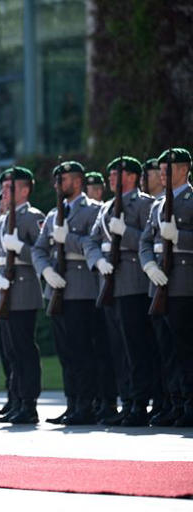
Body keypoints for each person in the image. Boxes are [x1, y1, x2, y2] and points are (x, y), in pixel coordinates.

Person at [84, 156, 156, 426]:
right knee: (117, 348)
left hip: (133, 283)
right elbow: (91, 242)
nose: (112, 177)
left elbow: (147, 240)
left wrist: (125, 231)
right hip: (109, 283)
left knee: (135, 347)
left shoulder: (145, 204)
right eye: (111, 173)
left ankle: (140, 403)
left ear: (133, 177)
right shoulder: (105, 208)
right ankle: (127, 401)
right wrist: (97, 261)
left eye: (118, 173)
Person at [32, 161, 100, 425]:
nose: (59, 184)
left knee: (82, 350)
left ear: (78, 181)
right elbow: (39, 249)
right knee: (66, 353)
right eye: (57, 180)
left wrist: (67, 237)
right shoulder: (52, 215)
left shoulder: (93, 210)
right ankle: (72, 403)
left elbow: (93, 244)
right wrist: (45, 271)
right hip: (56, 288)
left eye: (65, 179)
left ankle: (87, 404)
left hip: (81, 289)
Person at [0, 167, 45, 424]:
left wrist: (20, 247)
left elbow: (44, 255)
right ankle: (16, 400)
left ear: (24, 190)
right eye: (4, 188)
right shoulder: (1, 221)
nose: (4, 193)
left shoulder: (33, 218)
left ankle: (29, 404)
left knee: (23, 350)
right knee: (10, 352)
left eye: (10, 188)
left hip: (23, 292)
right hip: (4, 291)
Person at [139, 147, 193, 427]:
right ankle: (175, 402)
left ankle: (189, 404)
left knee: (185, 348)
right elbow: (145, 241)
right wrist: (148, 265)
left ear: (184, 169)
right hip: (159, 285)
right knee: (166, 349)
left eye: (168, 169)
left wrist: (180, 238)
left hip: (184, 284)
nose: (162, 173)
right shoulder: (158, 205)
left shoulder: (190, 199)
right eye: (161, 169)